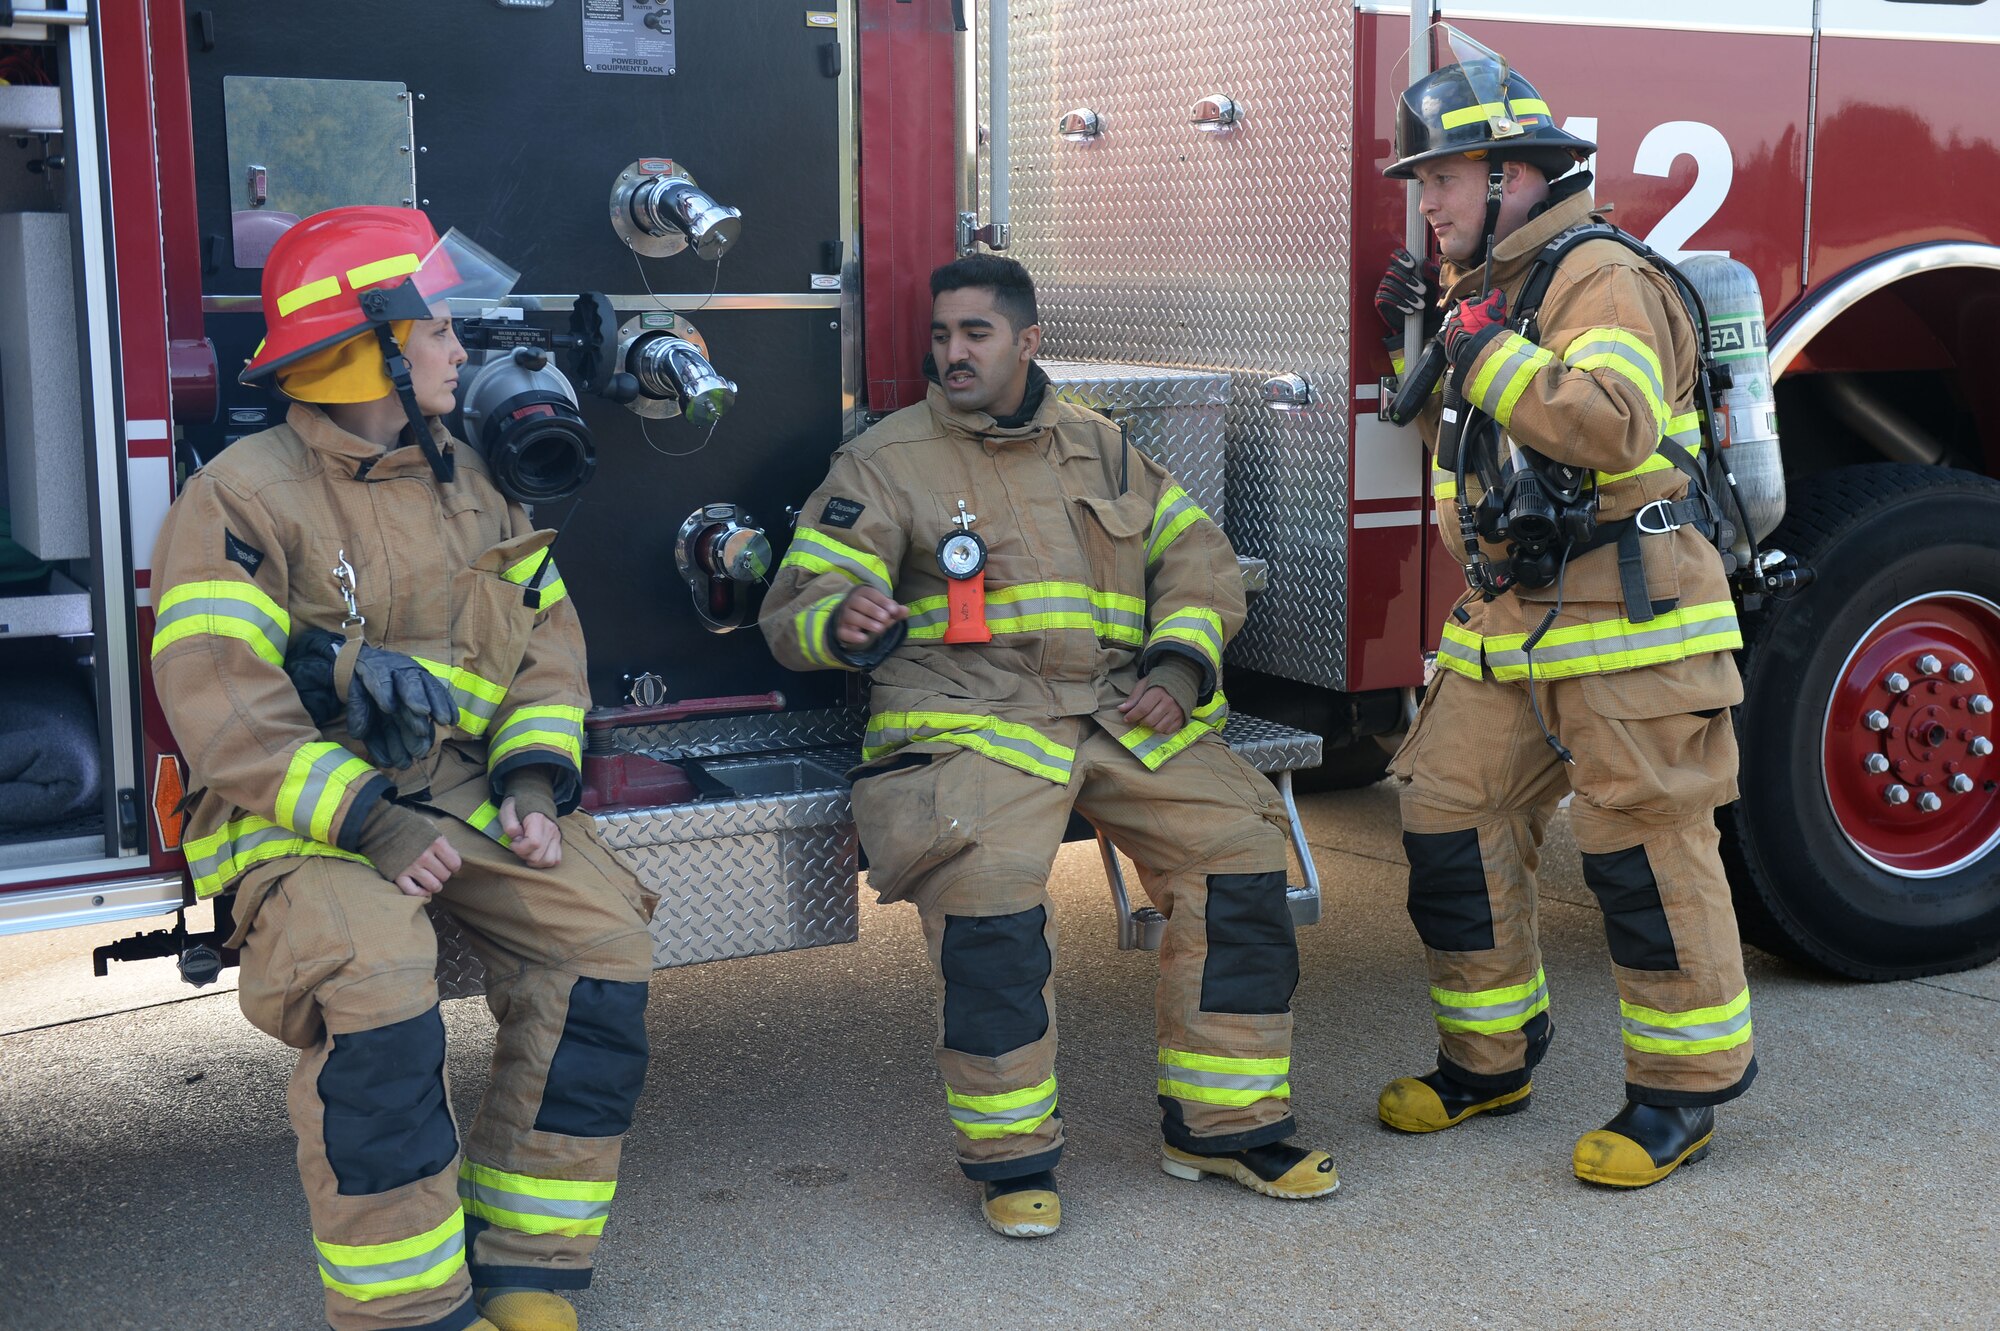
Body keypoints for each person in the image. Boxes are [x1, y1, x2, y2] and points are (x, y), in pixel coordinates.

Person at [150, 206, 656, 1331]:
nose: (458, 350)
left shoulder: (472, 478)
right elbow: (221, 700)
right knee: (378, 979)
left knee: (602, 937)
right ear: (368, 346)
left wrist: (530, 780)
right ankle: (410, 1307)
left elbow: (543, 644)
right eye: (434, 329)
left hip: (464, 794)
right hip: (301, 821)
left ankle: (528, 1262)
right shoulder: (238, 495)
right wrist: (371, 820)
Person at [759, 255, 1336, 1238]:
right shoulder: (885, 460)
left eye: (974, 334)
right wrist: (838, 620)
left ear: (1026, 342)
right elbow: (793, 606)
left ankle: (1222, 1125)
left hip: (1118, 713)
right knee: (989, 900)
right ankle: (1011, 1154)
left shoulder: (1102, 447)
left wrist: (1179, 668)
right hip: (966, 722)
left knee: (1240, 850)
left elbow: (1198, 565)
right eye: (940, 335)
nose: (951, 353)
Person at [1372, 55, 1755, 1187]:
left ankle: (1679, 1093)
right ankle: (1491, 1061)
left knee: (1640, 850)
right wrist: (1454, 342)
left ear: (1516, 174)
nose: (1425, 203)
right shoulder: (1493, 288)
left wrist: (1477, 353)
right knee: (1445, 815)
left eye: (1441, 179)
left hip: (1627, 625)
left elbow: (1613, 422)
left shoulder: (1596, 276)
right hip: (1505, 625)